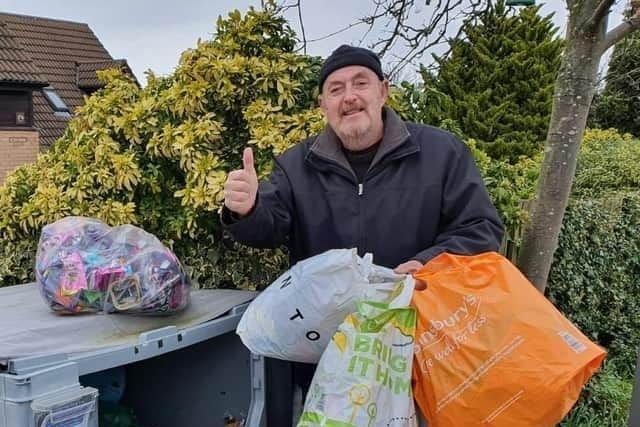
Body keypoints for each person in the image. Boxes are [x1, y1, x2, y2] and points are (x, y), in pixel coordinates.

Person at [222, 44, 504, 424]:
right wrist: (247, 209)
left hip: (420, 351)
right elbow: (269, 228)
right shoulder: (295, 166)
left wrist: (427, 264)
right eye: (336, 89)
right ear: (323, 103)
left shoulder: (441, 152)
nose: (349, 97)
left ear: (383, 91)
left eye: (360, 83)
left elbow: (481, 228)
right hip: (331, 360)